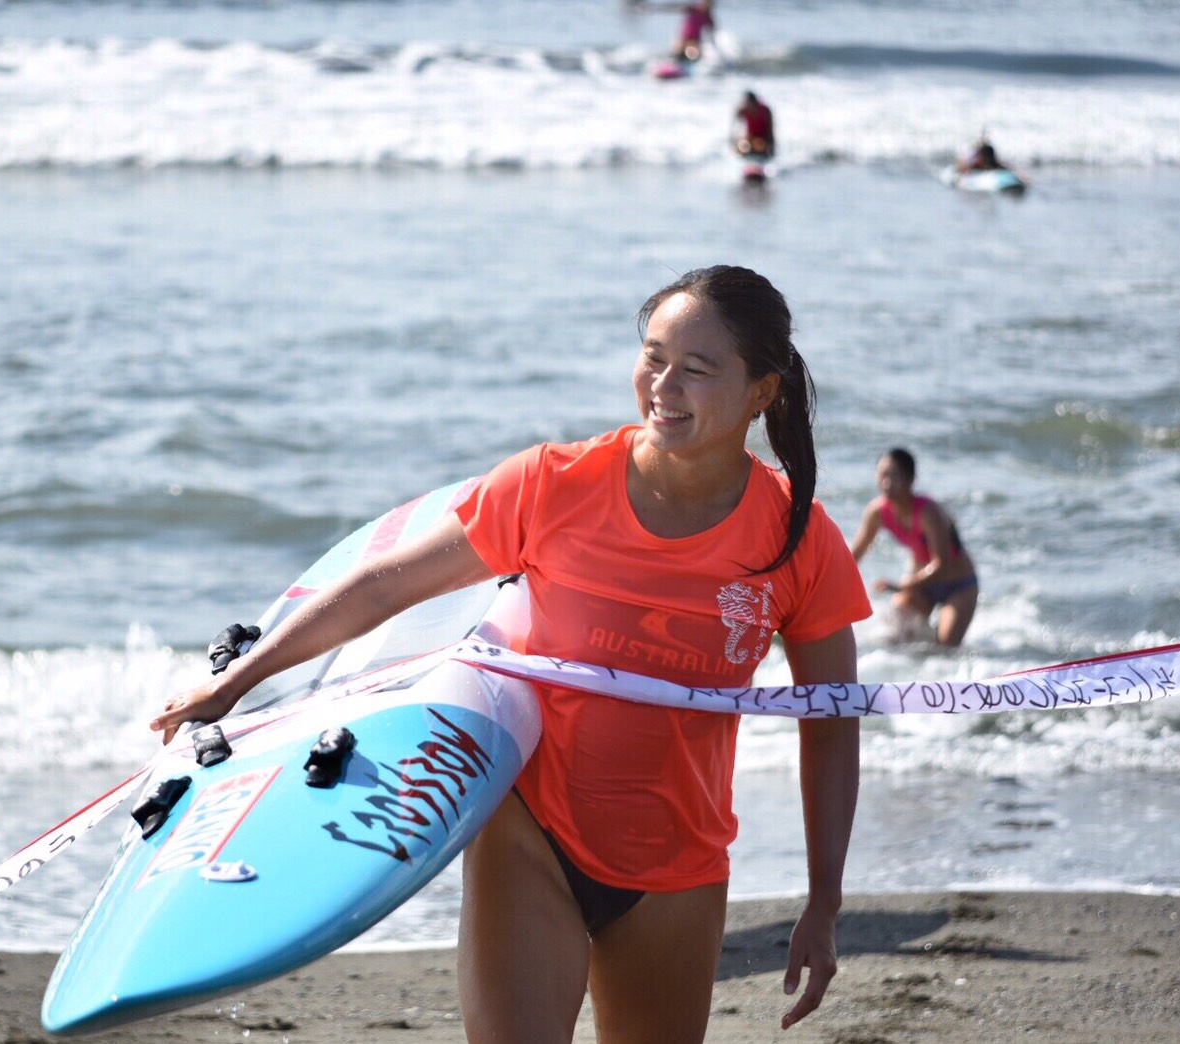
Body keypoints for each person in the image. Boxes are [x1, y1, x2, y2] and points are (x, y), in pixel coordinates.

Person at [152, 265, 870, 1042]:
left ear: (761, 392)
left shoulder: (798, 539)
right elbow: (383, 587)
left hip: (679, 867)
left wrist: (824, 902)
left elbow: (829, 724)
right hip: (533, 838)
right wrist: (237, 683)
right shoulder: (552, 484)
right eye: (653, 356)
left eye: (697, 369)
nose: (664, 384)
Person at [849, 448, 979, 647]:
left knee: (946, 645)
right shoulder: (877, 512)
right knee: (893, 636)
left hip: (958, 585)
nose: (887, 483)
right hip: (922, 586)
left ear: (911, 479)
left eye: (895, 476)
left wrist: (902, 586)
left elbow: (942, 565)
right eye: (883, 475)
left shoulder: (928, 512)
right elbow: (853, 556)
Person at [636, 0, 716, 63]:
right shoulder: (692, 9)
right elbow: (673, 7)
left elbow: (713, 33)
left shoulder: (708, 17)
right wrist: (653, 8)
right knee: (677, 52)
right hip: (683, 39)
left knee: (693, 54)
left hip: (694, 41)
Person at [734, 90, 775, 159]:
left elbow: (770, 128)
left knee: (759, 147)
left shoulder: (764, 110)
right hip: (751, 137)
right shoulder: (744, 110)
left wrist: (771, 144)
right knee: (742, 147)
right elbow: (736, 126)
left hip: (763, 137)